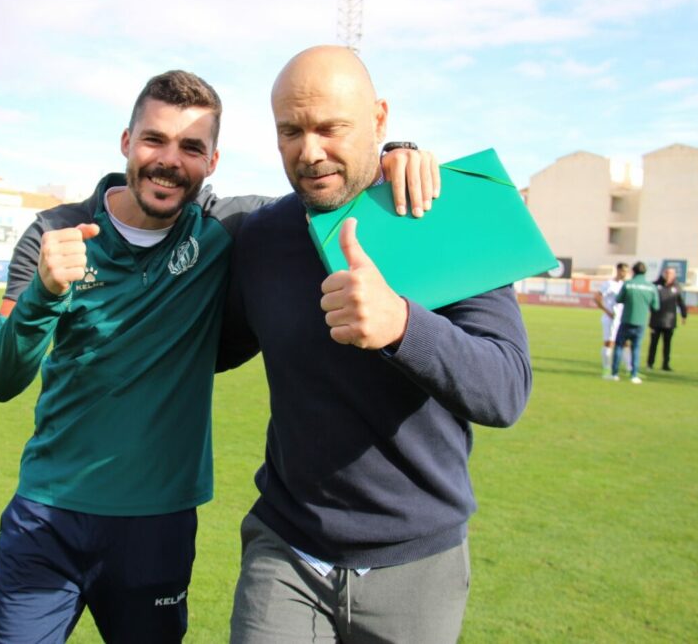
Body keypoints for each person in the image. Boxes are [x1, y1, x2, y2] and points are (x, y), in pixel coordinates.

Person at [0, 69, 438, 643]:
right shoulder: (56, 230)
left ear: (212, 162)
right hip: (46, 517)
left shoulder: (228, 227)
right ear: (126, 141)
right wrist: (44, 295)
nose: (169, 161)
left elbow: (326, 184)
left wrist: (398, 154)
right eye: (154, 140)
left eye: (191, 148)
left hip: (158, 525)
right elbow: (1, 376)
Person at [218, 45, 531, 643]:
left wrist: (403, 325)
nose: (309, 152)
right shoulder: (261, 237)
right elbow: (213, 348)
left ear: (380, 119)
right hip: (287, 548)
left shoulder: (445, 216)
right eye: (291, 131)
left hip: (416, 563)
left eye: (331, 127)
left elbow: (505, 390)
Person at [609, 261, 660, 384]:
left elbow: (618, 299)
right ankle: (634, 374)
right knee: (636, 348)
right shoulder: (651, 287)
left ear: (633, 271)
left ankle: (614, 373)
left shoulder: (628, 284)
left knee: (619, 346)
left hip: (627, 320)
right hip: (641, 322)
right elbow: (656, 307)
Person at [646, 266, 687, 371]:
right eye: (667, 273)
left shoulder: (677, 287)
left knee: (667, 344)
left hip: (669, 321)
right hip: (656, 320)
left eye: (671, 273)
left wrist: (684, 315)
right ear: (664, 273)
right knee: (653, 343)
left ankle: (665, 365)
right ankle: (650, 364)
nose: (669, 275)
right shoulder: (655, 285)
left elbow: (681, 302)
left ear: (674, 275)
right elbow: (649, 300)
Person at [595, 262, 631, 378]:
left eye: (626, 271)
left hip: (623, 319)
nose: (624, 273)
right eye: (623, 271)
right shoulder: (608, 284)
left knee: (626, 344)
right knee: (609, 343)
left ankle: (629, 369)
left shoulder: (626, 284)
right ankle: (606, 369)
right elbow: (597, 298)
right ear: (618, 270)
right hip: (611, 319)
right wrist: (607, 311)